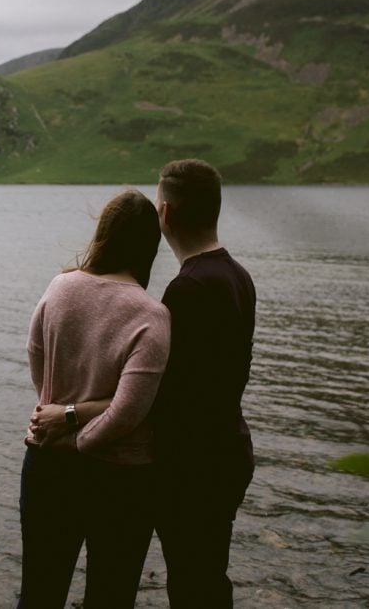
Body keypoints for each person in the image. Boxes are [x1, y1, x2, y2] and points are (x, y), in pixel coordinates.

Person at [19, 189, 170, 609]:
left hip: (48, 463)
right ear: (149, 246)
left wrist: (57, 407)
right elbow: (129, 412)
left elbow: (35, 353)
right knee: (111, 595)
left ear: (102, 234)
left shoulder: (61, 286)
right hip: (121, 478)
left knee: (39, 593)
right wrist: (84, 441)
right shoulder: (150, 314)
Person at [150, 158, 256, 608]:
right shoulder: (238, 275)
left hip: (195, 465)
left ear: (166, 215)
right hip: (229, 448)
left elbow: (173, 392)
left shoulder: (188, 288)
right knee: (209, 576)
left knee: (191, 584)